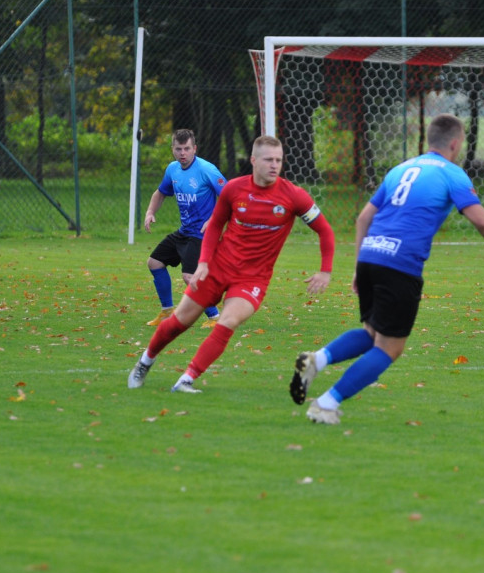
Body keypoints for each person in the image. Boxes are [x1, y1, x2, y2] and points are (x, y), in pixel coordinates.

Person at [288, 113, 484, 425]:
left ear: (430, 140)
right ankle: (327, 404)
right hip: (400, 265)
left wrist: (359, 267)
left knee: (372, 334)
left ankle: (318, 360)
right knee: (390, 347)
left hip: (371, 255)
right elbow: (480, 220)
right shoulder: (453, 174)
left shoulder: (401, 169)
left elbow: (362, 219)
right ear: (455, 143)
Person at [128, 135, 335, 392]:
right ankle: (145, 362)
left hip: (253, 278)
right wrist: (203, 262)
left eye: (278, 160)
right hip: (218, 268)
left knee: (227, 321)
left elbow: (325, 231)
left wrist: (325, 271)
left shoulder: (294, 196)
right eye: (268, 159)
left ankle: (187, 379)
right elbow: (215, 224)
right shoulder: (235, 189)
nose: (274, 165)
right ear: (253, 160)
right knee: (180, 322)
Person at [143, 129, 226, 329]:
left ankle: (214, 317)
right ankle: (167, 311)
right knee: (154, 262)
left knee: (189, 277)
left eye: (187, 148)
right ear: (173, 149)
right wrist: (150, 212)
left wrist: (214, 220)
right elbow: (160, 192)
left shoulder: (207, 169)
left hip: (202, 234)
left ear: (194, 149)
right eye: (178, 149)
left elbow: (229, 196)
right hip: (185, 232)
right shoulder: (173, 169)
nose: (183, 153)